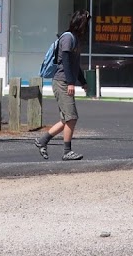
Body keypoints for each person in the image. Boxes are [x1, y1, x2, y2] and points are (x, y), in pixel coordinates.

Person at [34, 9, 90, 161]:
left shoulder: (76, 39)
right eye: (86, 22)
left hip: (66, 81)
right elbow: (65, 61)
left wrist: (83, 81)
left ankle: (42, 141)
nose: (87, 26)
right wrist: (71, 83)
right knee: (71, 117)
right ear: (80, 23)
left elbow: (75, 64)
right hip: (62, 81)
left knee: (67, 118)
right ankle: (67, 151)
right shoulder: (67, 38)